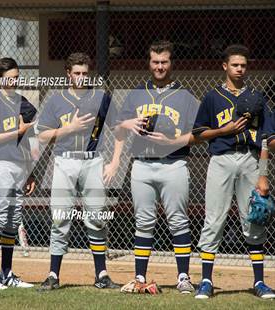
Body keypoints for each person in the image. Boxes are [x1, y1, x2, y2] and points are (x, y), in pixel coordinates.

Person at [104, 40, 199, 294]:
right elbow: (118, 128)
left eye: (164, 61)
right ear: (149, 62)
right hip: (142, 166)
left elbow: (199, 134)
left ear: (171, 63)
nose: (159, 66)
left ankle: (183, 277)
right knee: (143, 222)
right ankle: (139, 277)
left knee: (178, 222)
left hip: (174, 164)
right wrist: (118, 152)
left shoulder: (186, 96)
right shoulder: (136, 94)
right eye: (155, 61)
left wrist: (174, 141)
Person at [192, 44, 275, 299]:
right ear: (225, 66)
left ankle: (259, 282)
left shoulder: (258, 98)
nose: (240, 69)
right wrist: (222, 131)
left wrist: (263, 174)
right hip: (221, 159)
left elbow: (266, 140)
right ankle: (206, 280)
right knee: (214, 219)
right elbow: (198, 134)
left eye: (243, 65)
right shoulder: (212, 97)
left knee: (254, 218)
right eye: (235, 64)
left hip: (250, 160)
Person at [37, 52, 119, 290]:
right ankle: (53, 274)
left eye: (85, 73)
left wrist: (114, 162)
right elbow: (42, 135)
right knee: (60, 218)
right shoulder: (56, 99)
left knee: (96, 218)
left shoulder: (101, 97)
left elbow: (119, 129)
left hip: (93, 161)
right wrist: (69, 128)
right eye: (77, 73)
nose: (82, 77)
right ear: (68, 74)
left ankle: (101, 275)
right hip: (65, 161)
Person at [0, 57, 36, 290]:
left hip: (19, 167)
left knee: (13, 221)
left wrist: (30, 172)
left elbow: (27, 139)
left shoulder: (21, 101)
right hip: (1, 166)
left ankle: (7, 273)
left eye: (15, 77)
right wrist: (18, 130)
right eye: (8, 78)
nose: (13, 81)